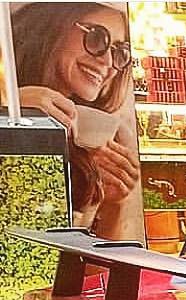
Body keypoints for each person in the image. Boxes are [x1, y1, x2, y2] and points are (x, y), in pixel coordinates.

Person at [10, 2, 143, 241]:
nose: (108, 62)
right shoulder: (11, 103)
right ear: (50, 26)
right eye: (97, 38)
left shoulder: (91, 138)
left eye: (119, 52)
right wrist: (10, 109)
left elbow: (98, 273)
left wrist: (114, 202)